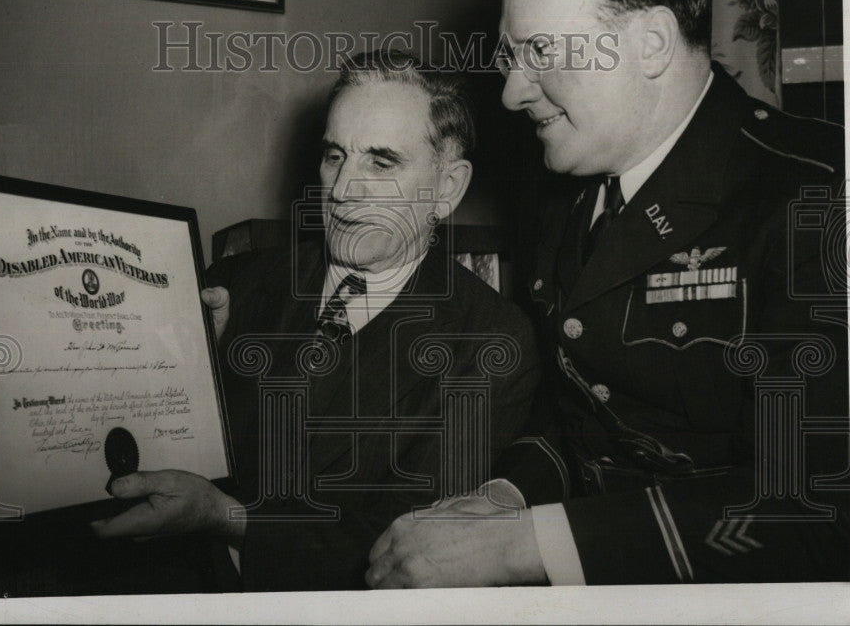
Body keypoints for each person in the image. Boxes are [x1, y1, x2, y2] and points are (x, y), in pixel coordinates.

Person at [366, 0, 850, 587]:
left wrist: (521, 545)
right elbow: (580, 413)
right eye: (511, 57)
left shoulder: (824, 193)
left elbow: (827, 514)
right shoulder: (568, 194)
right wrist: (506, 497)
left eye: (538, 52)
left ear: (650, 42)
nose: (509, 93)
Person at [91, 50, 541, 590]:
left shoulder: (490, 342)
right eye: (334, 156)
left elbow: (400, 548)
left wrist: (227, 520)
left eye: (381, 162)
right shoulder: (233, 283)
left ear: (447, 188)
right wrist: (175, 374)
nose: (343, 188)